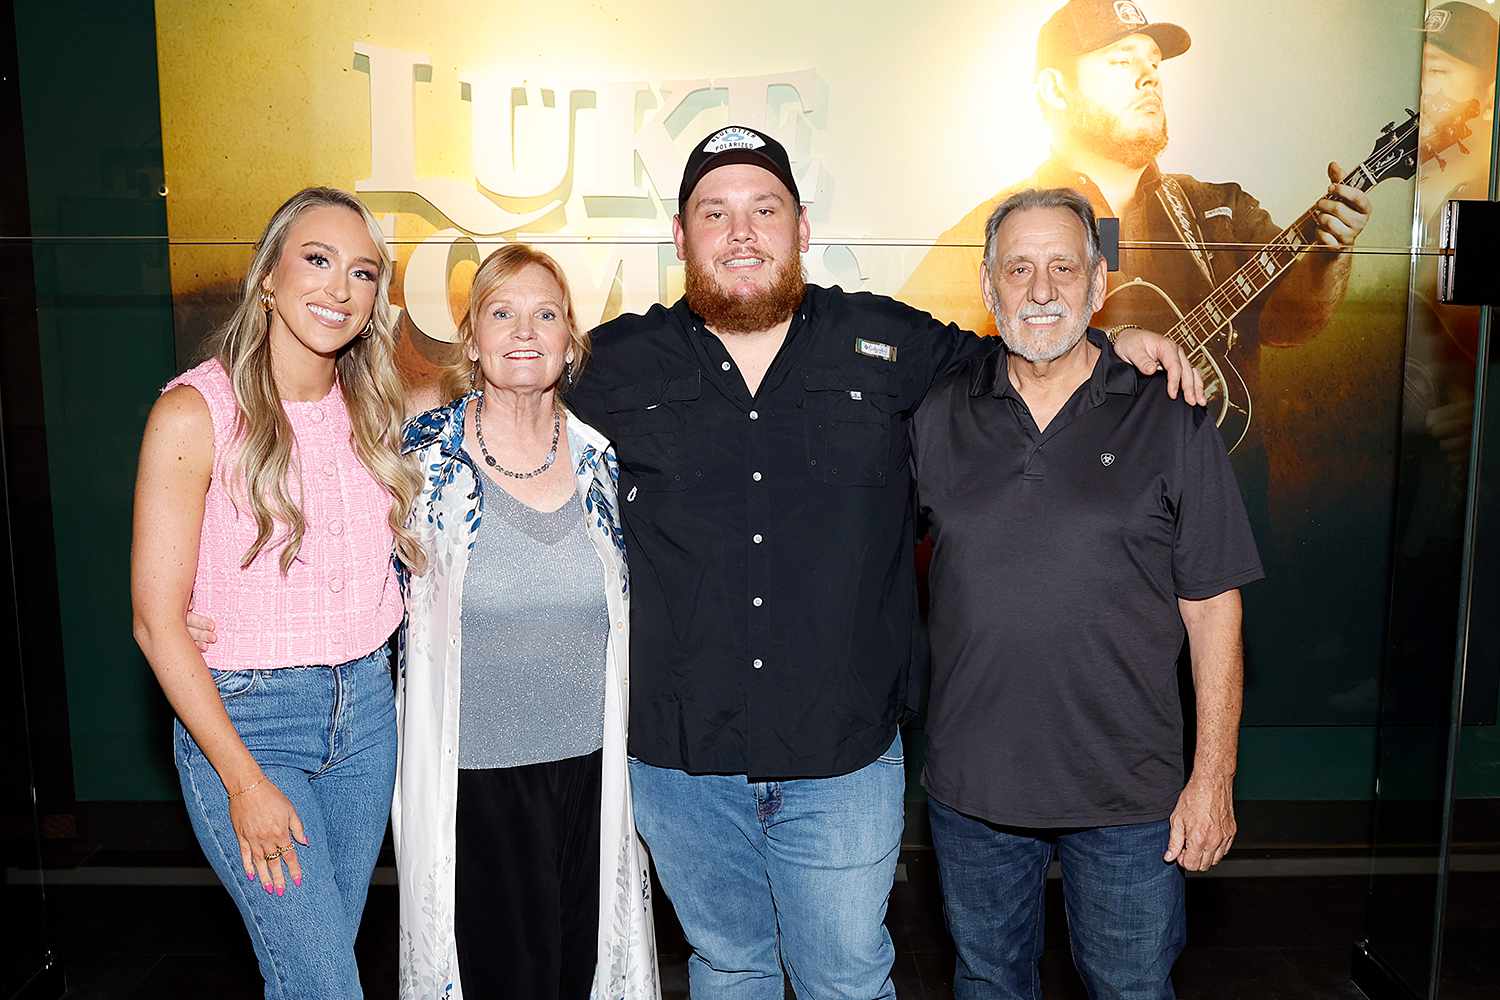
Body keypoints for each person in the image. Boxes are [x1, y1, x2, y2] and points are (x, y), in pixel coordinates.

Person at [565, 124, 1203, 998]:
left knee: (846, 977)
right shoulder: (612, 364)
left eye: (764, 210)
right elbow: (504, 407)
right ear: (680, 237)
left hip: (844, 763)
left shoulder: (888, 343)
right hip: (683, 764)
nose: (741, 232)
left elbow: (1028, 348)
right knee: (726, 965)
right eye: (715, 213)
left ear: (803, 227)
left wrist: (1120, 334)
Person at [911, 187, 1264, 999]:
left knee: (1132, 988)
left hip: (1129, 796)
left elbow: (1214, 607)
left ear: (1099, 284)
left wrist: (1212, 778)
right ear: (988, 286)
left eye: (1063, 268)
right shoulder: (936, 417)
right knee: (989, 983)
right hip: (975, 792)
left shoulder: (1170, 411)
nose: (1041, 291)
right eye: (1020, 269)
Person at [901, 0, 1371, 504]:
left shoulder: (1220, 209)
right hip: (1064, 515)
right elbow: (918, 367)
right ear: (1056, 90)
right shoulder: (994, 230)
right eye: (1122, 61)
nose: (1150, 79)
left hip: (1215, 510)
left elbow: (1292, 323)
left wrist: (1330, 255)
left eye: (1153, 64)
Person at [131, 186, 423, 999]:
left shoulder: (374, 408)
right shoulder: (197, 412)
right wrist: (244, 781)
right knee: (326, 984)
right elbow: (157, 623)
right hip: (251, 727)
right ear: (268, 276)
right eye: (318, 261)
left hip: (367, 719)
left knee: (308, 970)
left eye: (363, 274)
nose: (340, 288)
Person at [394, 244, 657, 999]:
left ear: (571, 340)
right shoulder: (421, 460)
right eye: (501, 313)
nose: (523, 331)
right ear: (471, 337)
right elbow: (352, 575)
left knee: (581, 972)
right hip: (472, 780)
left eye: (545, 314)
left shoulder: (604, 461)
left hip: (592, 774)